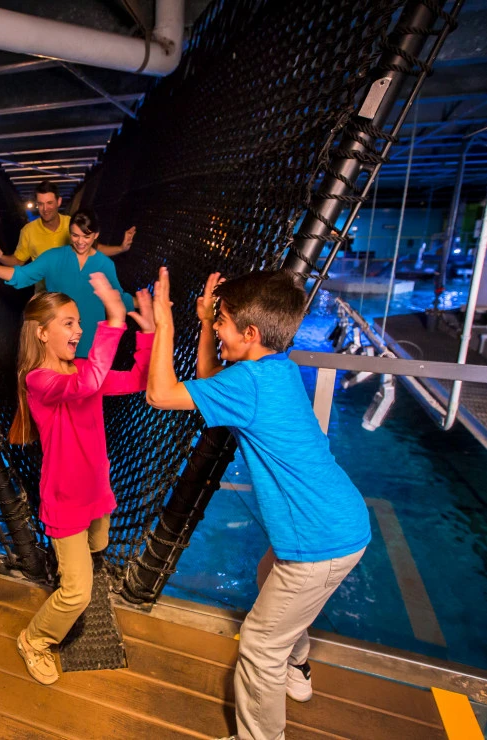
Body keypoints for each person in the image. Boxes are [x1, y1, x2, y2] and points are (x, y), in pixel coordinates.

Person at [146, 267, 370, 740]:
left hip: (318, 540)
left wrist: (164, 323)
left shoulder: (250, 382)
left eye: (222, 322)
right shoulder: (273, 368)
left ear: (250, 334)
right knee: (268, 579)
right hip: (335, 522)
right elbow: (209, 380)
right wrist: (205, 323)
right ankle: (298, 668)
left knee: (259, 645)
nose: (217, 327)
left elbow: (160, 394)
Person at [10, 273, 155, 685]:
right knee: (77, 593)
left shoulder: (83, 369)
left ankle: (74, 569)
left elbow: (137, 380)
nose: (78, 330)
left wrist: (147, 336)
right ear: (42, 333)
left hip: (98, 491)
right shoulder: (39, 380)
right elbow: (87, 383)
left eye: (79, 322)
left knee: (99, 546)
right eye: (69, 323)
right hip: (66, 501)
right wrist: (114, 321)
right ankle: (34, 640)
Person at [0, 209, 135, 357]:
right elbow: (21, 275)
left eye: (86, 236)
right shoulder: (53, 257)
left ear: (96, 235)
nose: (80, 241)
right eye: (75, 235)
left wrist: (144, 302)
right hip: (58, 342)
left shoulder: (105, 264)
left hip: (92, 345)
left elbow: (119, 300)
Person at [0, 180, 136, 266]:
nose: (45, 209)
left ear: (59, 202)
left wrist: (121, 248)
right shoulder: (28, 231)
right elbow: (18, 261)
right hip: (45, 298)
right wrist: (0, 257)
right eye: (41, 204)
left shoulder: (73, 224)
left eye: (49, 203)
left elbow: (95, 249)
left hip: (72, 295)